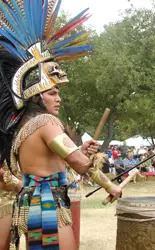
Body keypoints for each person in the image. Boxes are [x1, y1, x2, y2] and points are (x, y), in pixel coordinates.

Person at [0, 2, 122, 250]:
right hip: (48, 208)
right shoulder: (46, 122)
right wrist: (110, 184)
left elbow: (56, 159)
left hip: (33, 205)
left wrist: (79, 149)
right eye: (53, 93)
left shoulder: (25, 126)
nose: (59, 98)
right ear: (36, 96)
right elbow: (77, 162)